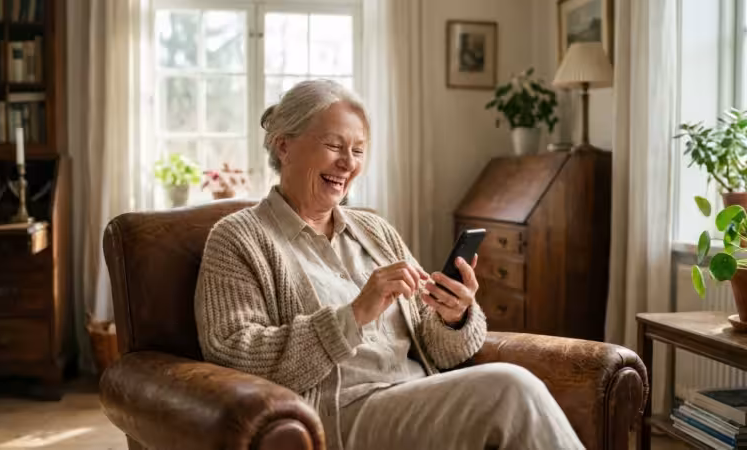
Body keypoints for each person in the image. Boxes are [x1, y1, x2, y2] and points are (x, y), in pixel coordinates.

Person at [194, 79, 584, 450]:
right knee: (511, 389)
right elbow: (233, 353)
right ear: (284, 146)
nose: (348, 163)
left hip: (414, 395)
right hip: (337, 414)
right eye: (334, 145)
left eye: (359, 150)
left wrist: (453, 316)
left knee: (510, 393)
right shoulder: (238, 237)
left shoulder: (375, 230)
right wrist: (354, 315)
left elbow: (440, 351)